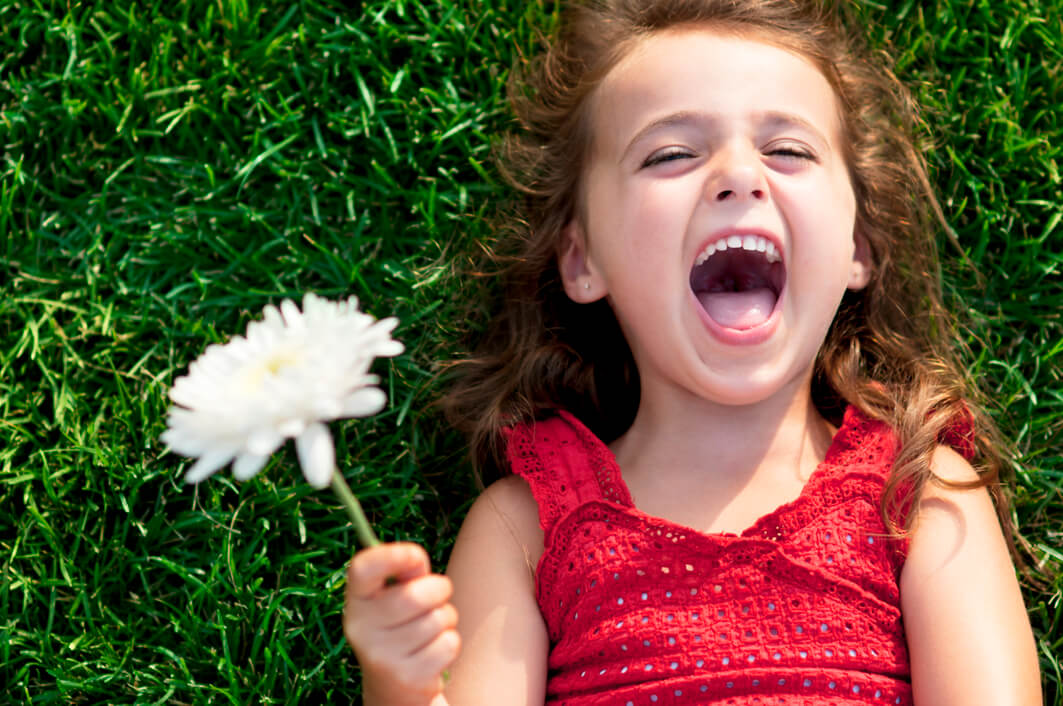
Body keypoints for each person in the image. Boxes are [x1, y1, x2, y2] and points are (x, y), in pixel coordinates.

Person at [342, 0, 1042, 703]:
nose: (739, 174)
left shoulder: (918, 497)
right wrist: (399, 681)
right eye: (670, 153)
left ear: (856, 247)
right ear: (582, 259)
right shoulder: (524, 527)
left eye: (788, 150)